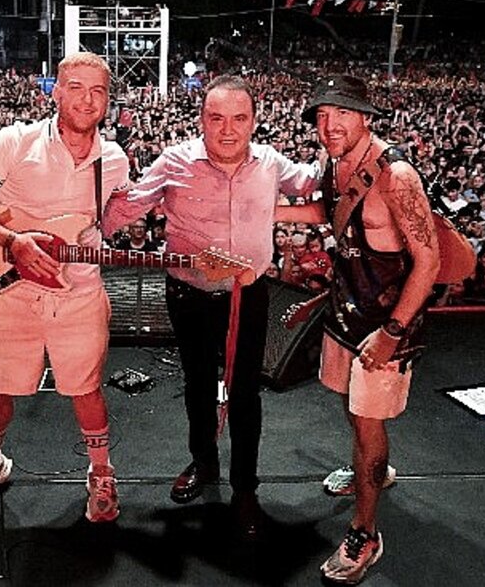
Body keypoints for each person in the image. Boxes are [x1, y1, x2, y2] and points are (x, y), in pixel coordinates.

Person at [102, 75, 321, 540]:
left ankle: (245, 489)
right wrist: (71, 216)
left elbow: (315, 181)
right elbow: (122, 210)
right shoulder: (174, 162)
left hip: (249, 295)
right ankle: (204, 463)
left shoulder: (271, 164)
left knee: (245, 395)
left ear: (254, 121)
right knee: (198, 386)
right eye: (216, 118)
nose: (227, 129)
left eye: (239, 118)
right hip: (189, 296)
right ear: (201, 119)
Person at [0, 52, 129, 524]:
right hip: (10, 291)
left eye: (98, 91)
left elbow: (110, 218)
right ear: (56, 92)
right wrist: (13, 242)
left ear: (108, 100)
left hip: (79, 293)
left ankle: (102, 473)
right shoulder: (15, 142)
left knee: (86, 389)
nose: (87, 100)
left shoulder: (114, 161)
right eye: (76, 88)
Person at [288, 75, 440, 583]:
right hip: (346, 311)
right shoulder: (334, 162)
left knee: (368, 421)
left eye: (342, 114)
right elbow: (331, 213)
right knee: (352, 408)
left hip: (384, 324)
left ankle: (365, 533)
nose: (329, 125)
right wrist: (263, 209)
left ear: (367, 118)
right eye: (321, 115)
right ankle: (370, 471)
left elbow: (428, 260)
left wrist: (393, 331)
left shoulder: (397, 176)